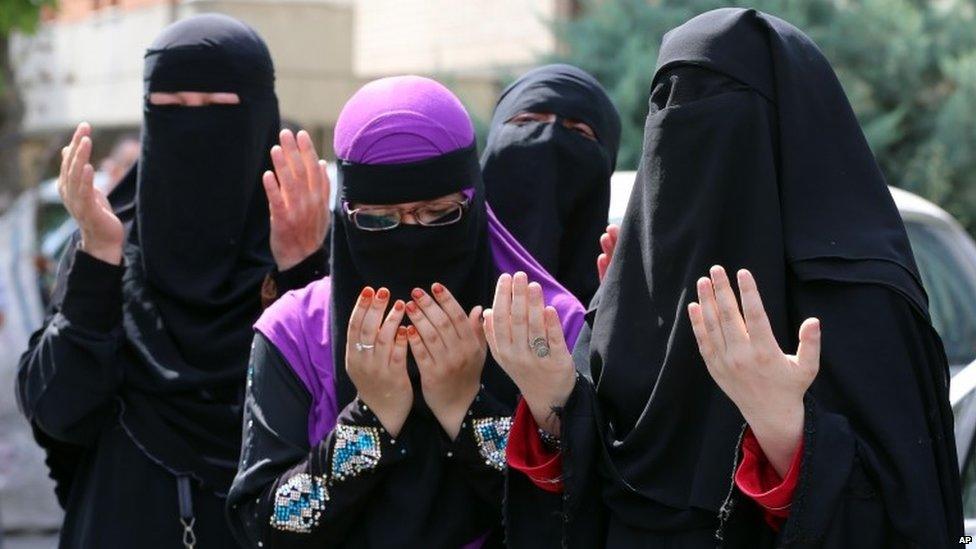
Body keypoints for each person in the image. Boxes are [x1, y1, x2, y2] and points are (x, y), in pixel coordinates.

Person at [490, 8, 962, 548]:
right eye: (666, 103)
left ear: (788, 127)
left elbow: (910, 515)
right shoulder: (629, 300)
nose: (684, 128)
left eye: (716, 104)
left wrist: (784, 428)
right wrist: (552, 401)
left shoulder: (864, 300)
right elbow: (581, 503)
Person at [226, 75, 586, 548]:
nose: (409, 237)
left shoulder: (546, 325)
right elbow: (262, 527)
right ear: (347, 214)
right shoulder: (296, 331)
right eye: (379, 220)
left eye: (438, 214)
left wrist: (466, 409)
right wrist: (371, 419)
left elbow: (577, 520)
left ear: (473, 201)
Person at [16, 14, 328, 546]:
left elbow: (341, 418)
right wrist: (98, 254)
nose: (194, 126)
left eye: (218, 108)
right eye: (171, 108)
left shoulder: (306, 235)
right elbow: (56, 411)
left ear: (258, 116)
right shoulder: (112, 240)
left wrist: (300, 270)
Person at [481, 64, 621, 306]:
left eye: (578, 131)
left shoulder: (624, 283)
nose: (549, 138)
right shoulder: (444, 265)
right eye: (527, 121)